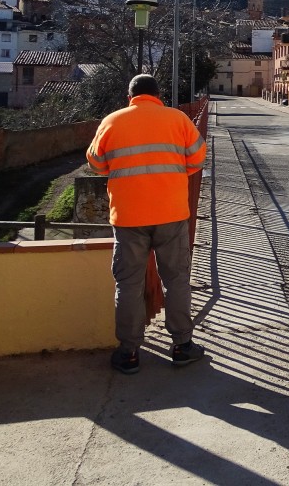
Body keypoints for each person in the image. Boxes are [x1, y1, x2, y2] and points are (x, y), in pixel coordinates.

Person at [86, 74, 207, 375]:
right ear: (158, 95)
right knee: (176, 280)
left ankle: (128, 353)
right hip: (171, 213)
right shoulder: (177, 119)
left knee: (128, 283)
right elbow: (197, 159)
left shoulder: (112, 122)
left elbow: (96, 163)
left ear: (130, 96)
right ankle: (182, 346)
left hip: (128, 217)